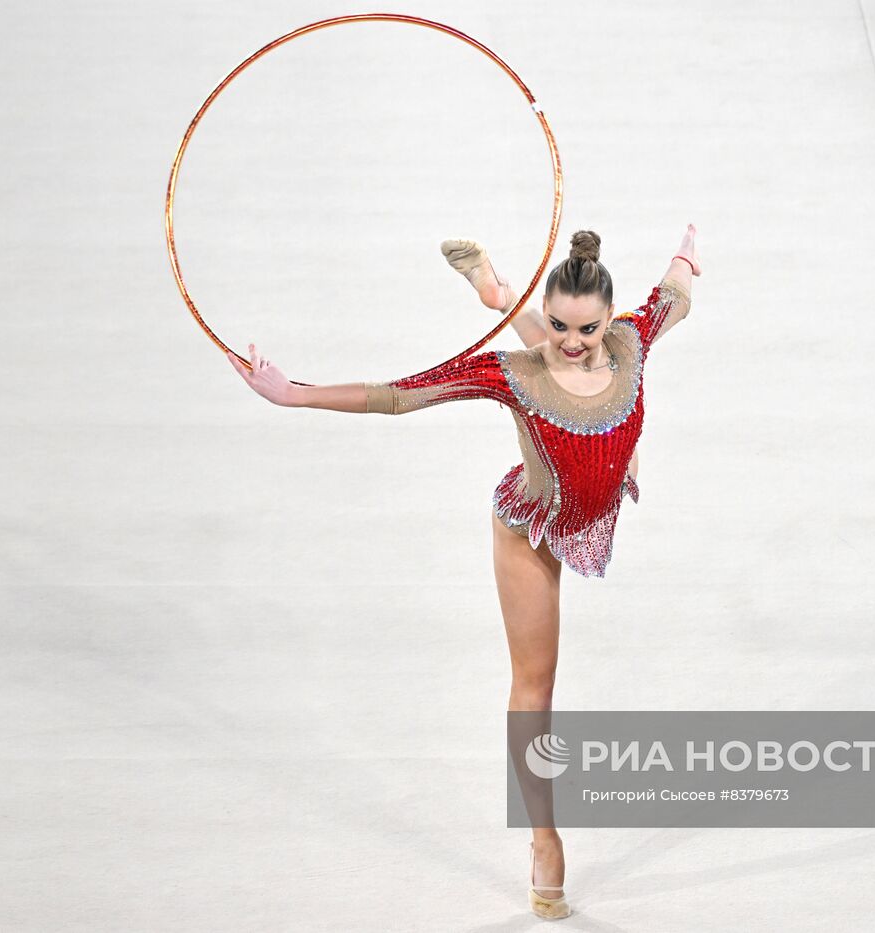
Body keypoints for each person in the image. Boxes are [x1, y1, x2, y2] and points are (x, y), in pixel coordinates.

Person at [227, 225, 700, 920]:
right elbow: (402, 393)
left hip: (586, 489)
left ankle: (497, 291)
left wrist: (689, 246)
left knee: (585, 369)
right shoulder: (516, 373)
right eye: (560, 326)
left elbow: (676, 291)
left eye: (587, 329)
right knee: (535, 688)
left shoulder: (631, 340)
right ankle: (543, 838)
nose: (571, 340)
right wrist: (294, 393)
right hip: (530, 530)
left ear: (610, 317)